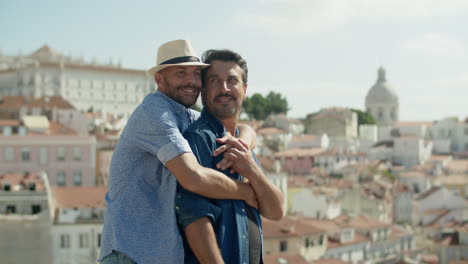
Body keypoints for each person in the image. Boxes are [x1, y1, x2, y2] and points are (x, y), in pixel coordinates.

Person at [99, 40, 259, 264]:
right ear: (159, 79)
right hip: (131, 254)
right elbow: (193, 177)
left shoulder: (186, 116)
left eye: (196, 74)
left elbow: (242, 128)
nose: (191, 81)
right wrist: (246, 191)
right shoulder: (154, 114)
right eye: (180, 73)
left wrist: (243, 142)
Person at [176, 49, 284, 264]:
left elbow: (275, 210)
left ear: (244, 90)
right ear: (203, 90)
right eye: (214, 81)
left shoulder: (243, 146)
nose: (223, 88)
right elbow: (195, 220)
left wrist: (250, 168)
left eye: (232, 80)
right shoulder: (197, 139)